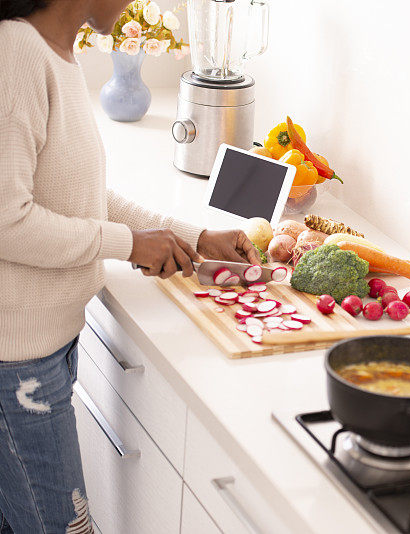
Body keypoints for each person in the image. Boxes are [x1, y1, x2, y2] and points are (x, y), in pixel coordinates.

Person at [0, 1, 260, 531]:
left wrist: (195, 237)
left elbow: (79, 194)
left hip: (41, 353)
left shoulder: (57, 53)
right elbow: (7, 221)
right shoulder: (16, 52)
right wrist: (127, 244)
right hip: (17, 366)